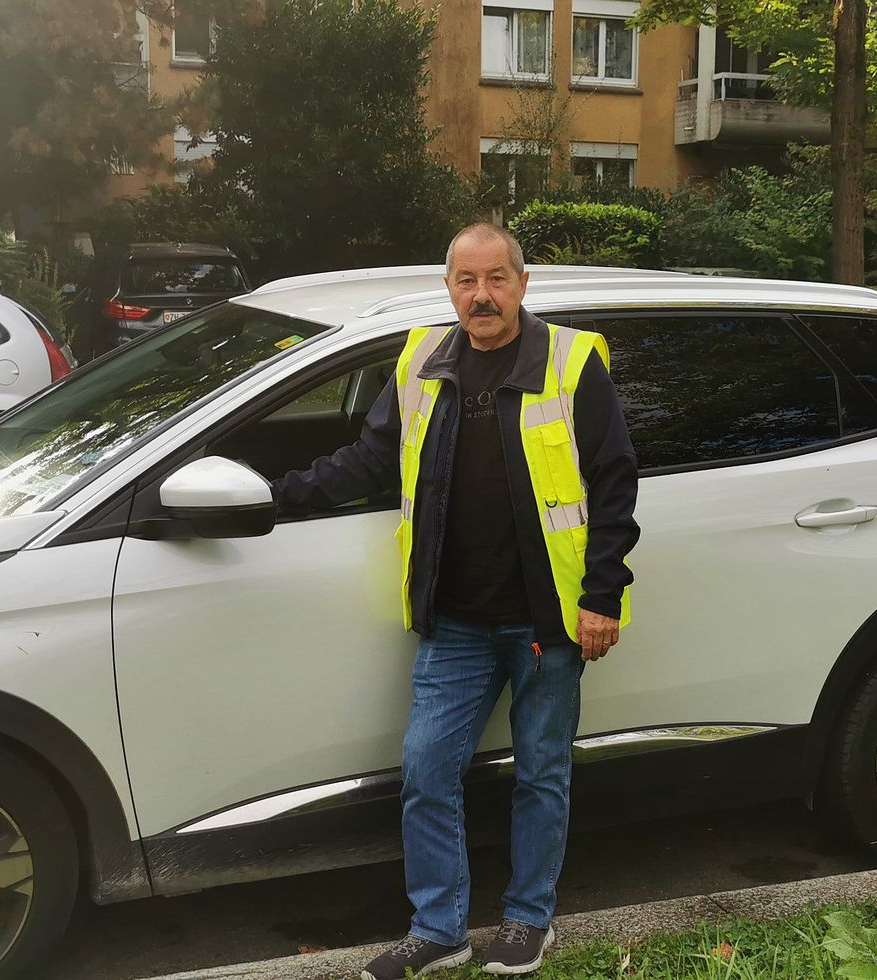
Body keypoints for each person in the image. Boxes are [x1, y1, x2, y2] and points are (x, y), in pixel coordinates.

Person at [271, 223, 639, 977]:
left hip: (548, 620)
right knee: (426, 771)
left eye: (497, 278)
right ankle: (440, 927)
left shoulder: (571, 363)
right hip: (456, 621)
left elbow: (614, 483)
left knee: (542, 773)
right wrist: (277, 498)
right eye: (467, 281)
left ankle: (529, 919)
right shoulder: (420, 362)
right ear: (449, 290)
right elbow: (368, 460)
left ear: (523, 284)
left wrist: (602, 594)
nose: (482, 295)